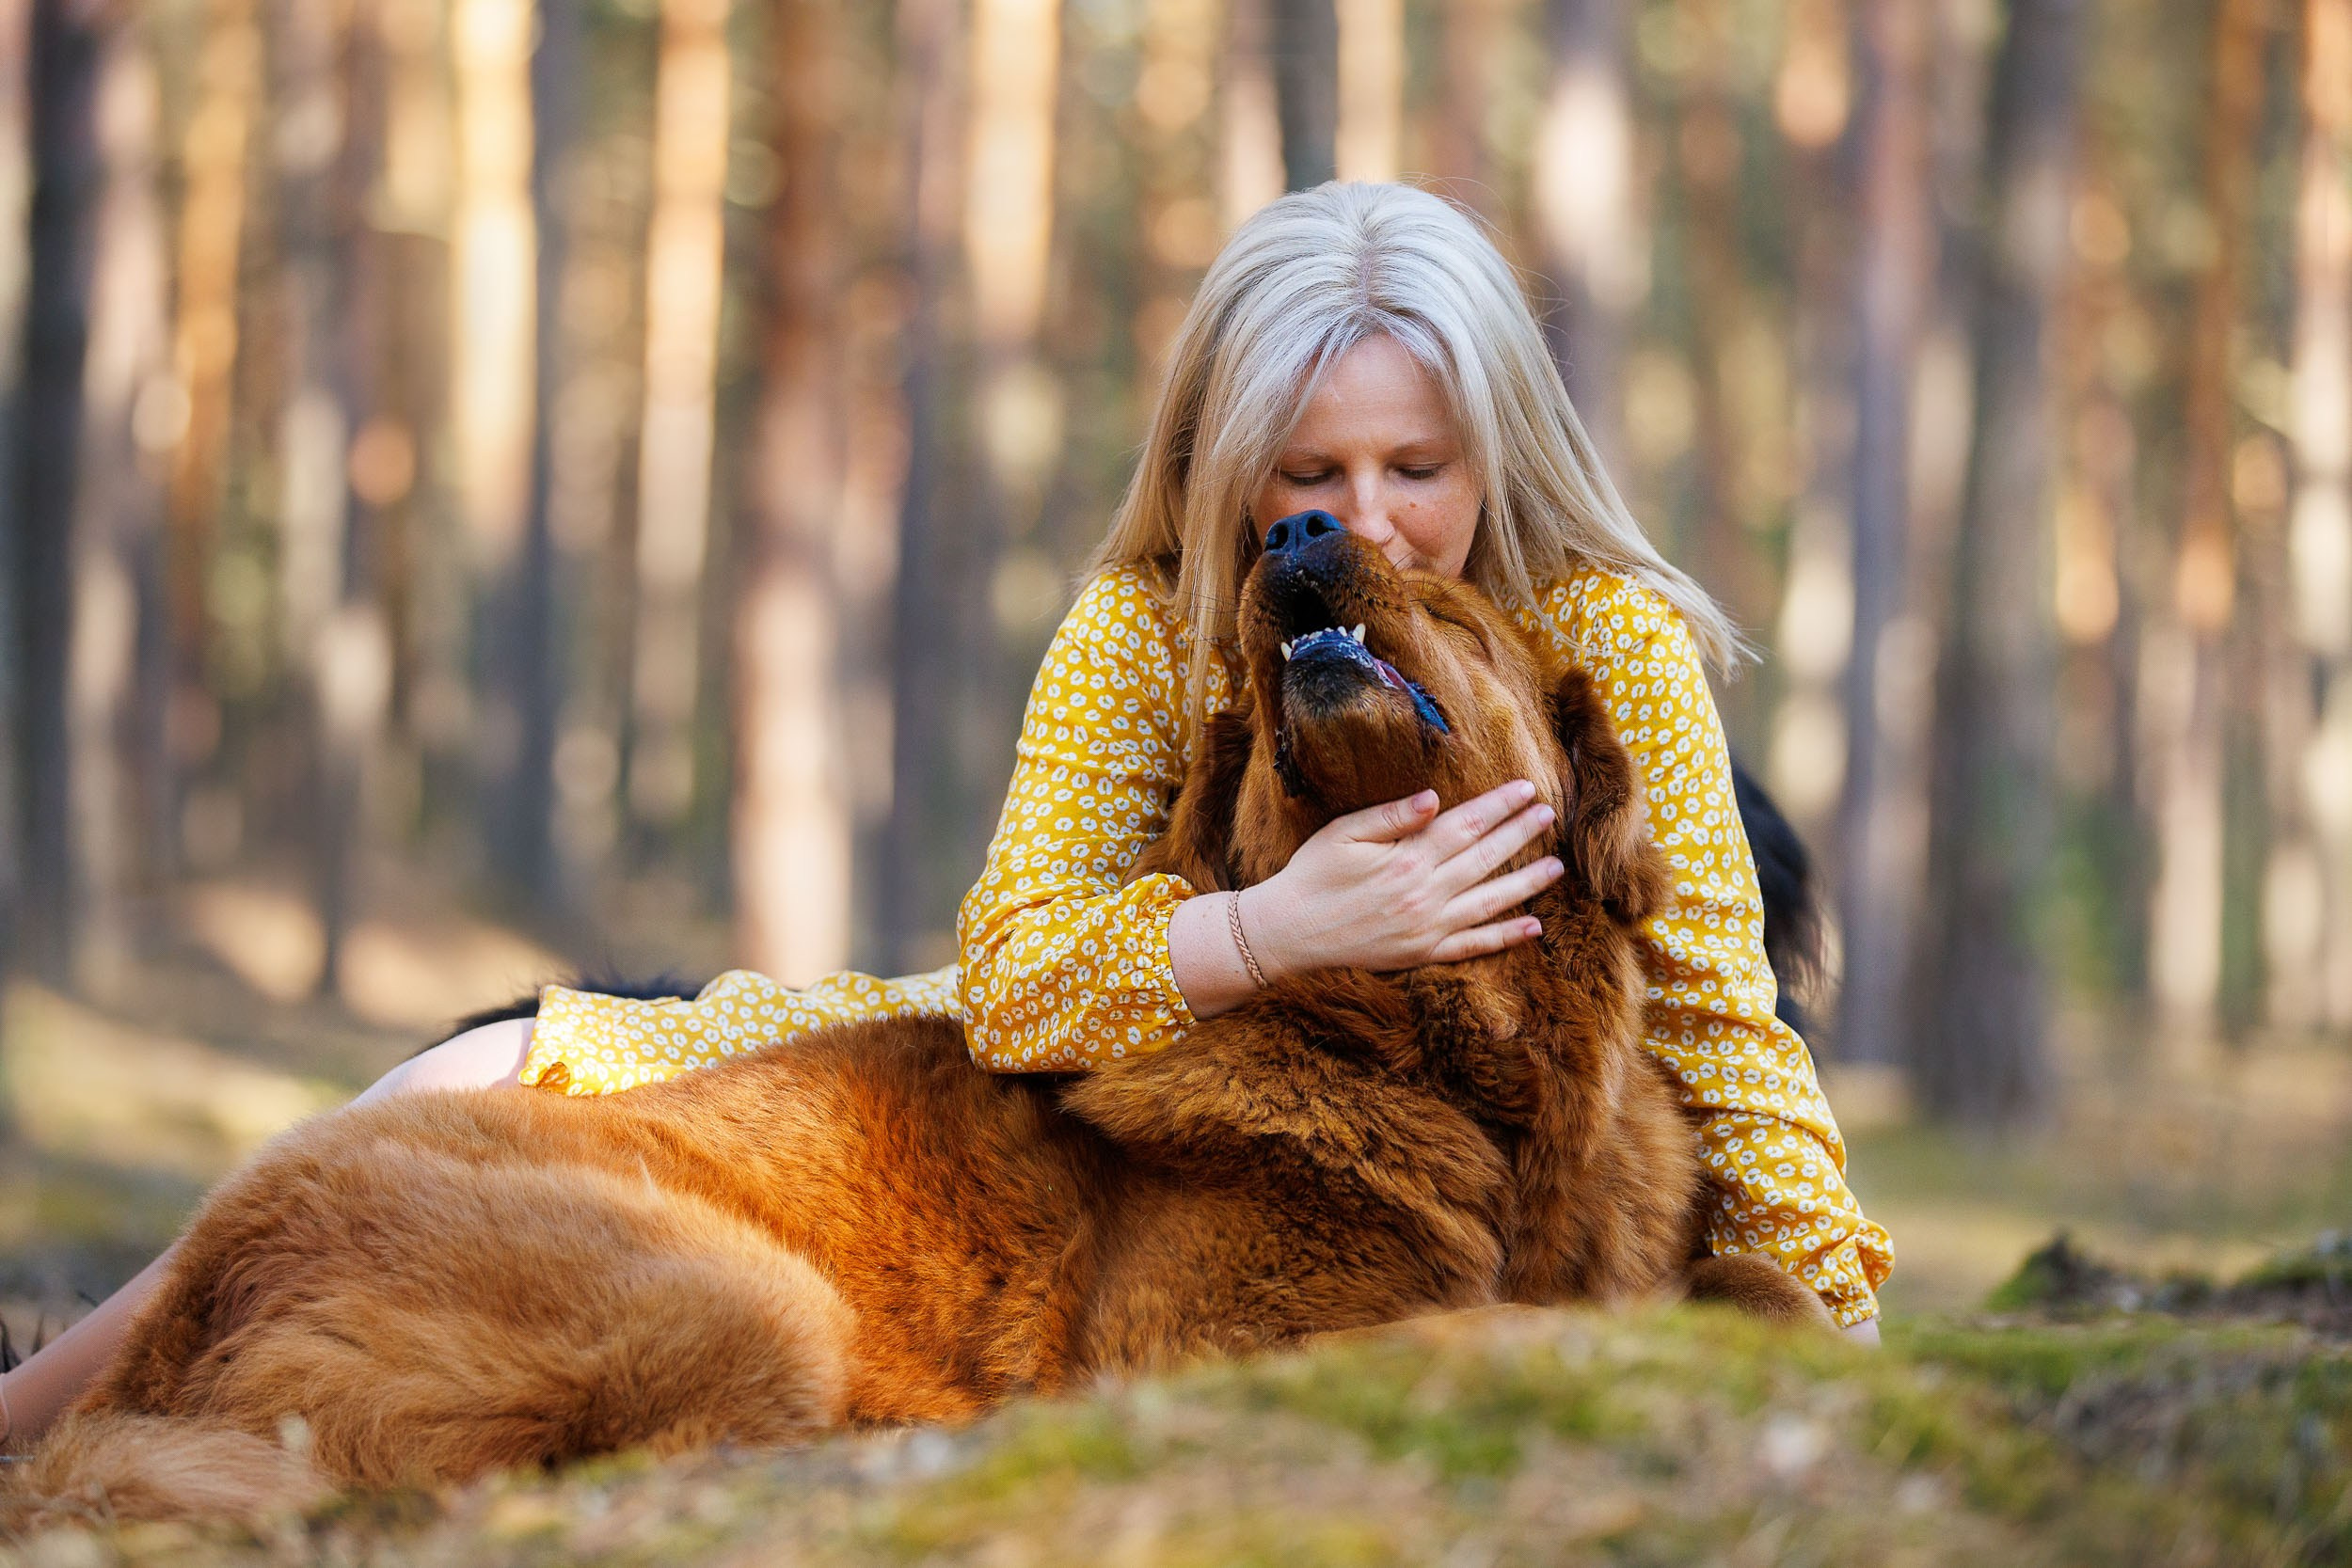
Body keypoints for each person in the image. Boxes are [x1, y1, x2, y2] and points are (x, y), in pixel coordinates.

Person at [0, 182, 1890, 1453]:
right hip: (1028, 1040)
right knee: (458, 1083)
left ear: (1494, 456)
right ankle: (32, 1434)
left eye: (1411, 467)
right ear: (1222, 466)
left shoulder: (1599, 635)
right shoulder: (1142, 630)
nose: (1356, 518)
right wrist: (1280, 929)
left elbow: (1728, 1019)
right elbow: (1012, 974)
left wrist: (1839, 1348)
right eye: (1302, 472)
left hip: (1255, 1124)